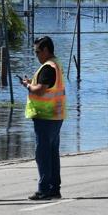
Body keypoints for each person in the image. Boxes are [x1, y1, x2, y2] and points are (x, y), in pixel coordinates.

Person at [20, 36, 66, 201]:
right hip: (56, 115)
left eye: (37, 52)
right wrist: (31, 82)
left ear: (46, 50)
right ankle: (54, 188)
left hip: (46, 116)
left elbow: (40, 90)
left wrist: (27, 86)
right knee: (52, 153)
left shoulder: (48, 67)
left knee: (43, 154)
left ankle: (44, 189)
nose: (36, 55)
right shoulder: (56, 64)